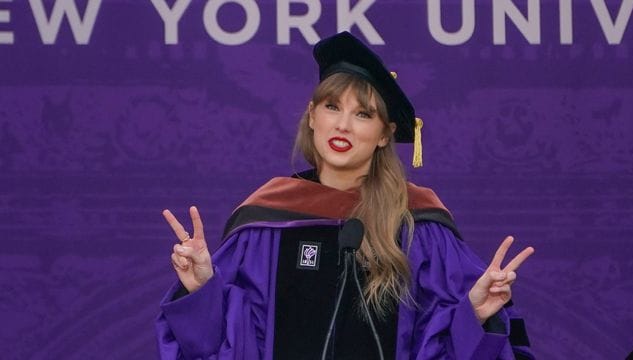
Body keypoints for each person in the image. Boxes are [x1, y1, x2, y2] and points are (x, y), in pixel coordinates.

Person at [156, 32, 535, 359]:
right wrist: (203, 289)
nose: (342, 124)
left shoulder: (419, 226)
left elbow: (441, 342)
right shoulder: (265, 222)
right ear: (312, 115)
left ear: (385, 134)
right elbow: (229, 345)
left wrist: (474, 314)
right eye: (332, 107)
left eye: (363, 114)